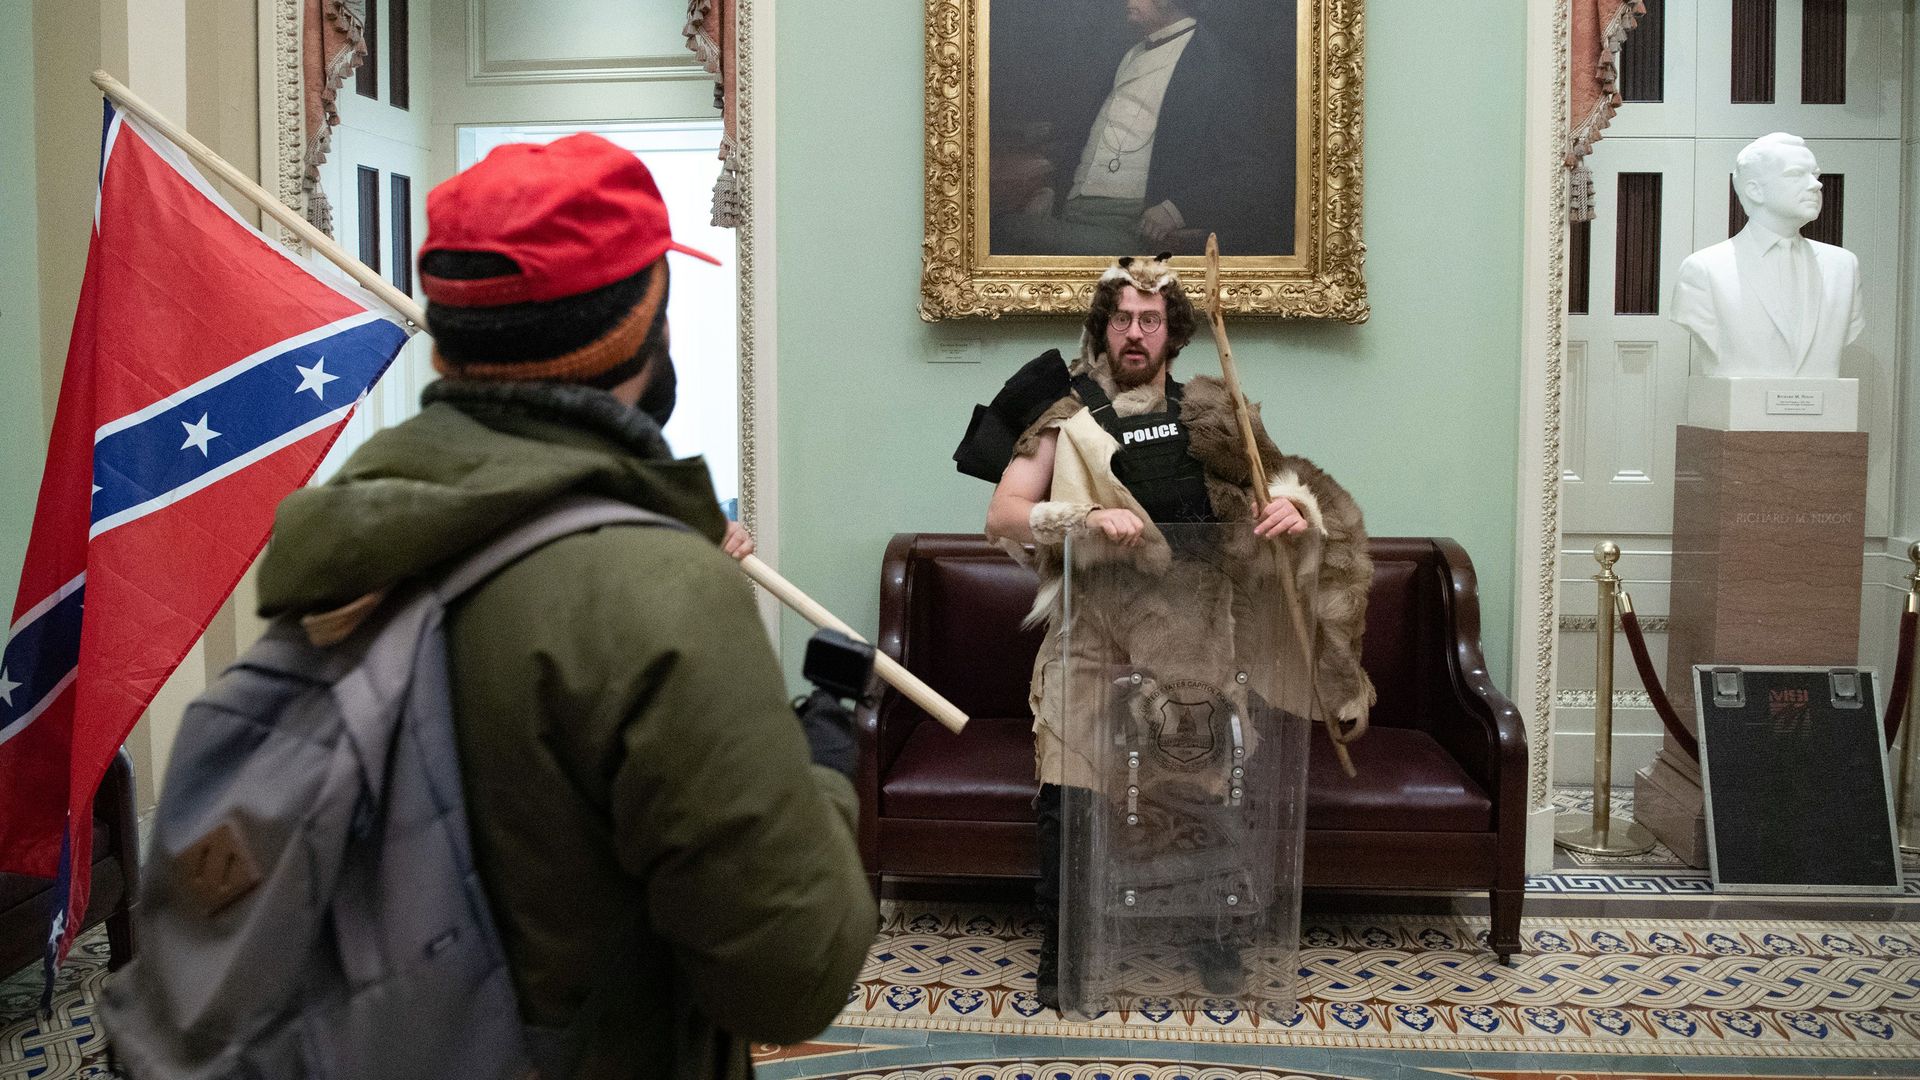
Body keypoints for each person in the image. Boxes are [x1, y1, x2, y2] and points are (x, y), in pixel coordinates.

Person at [254, 134, 876, 1079]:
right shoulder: (660, 592)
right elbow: (790, 978)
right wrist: (826, 769)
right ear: (641, 334)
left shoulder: (346, 543)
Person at [959, 254, 1371, 1009]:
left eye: (1151, 320)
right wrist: (1083, 516)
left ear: (1172, 333)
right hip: (1092, 620)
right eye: (1122, 319)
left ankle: (1213, 937)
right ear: (1103, 327)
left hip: (1194, 627)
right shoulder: (1067, 414)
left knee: (1200, 779)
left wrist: (1291, 511)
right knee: (1068, 784)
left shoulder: (1211, 412)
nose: (1136, 333)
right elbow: (1003, 515)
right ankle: (1064, 947)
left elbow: (1278, 486)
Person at [993, 0, 1289, 256]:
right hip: (1072, 211)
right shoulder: (1130, 53)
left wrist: (1175, 211)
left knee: (1004, 232)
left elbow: (1253, 173)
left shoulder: (1218, 66)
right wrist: (1052, 191)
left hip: (1130, 226)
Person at [1671, 132, 1864, 379]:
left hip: (1823, 411)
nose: (1816, 185)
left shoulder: (1843, 266)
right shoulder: (1704, 269)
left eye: (1815, 175)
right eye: (1796, 175)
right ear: (1755, 190)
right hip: (1739, 410)